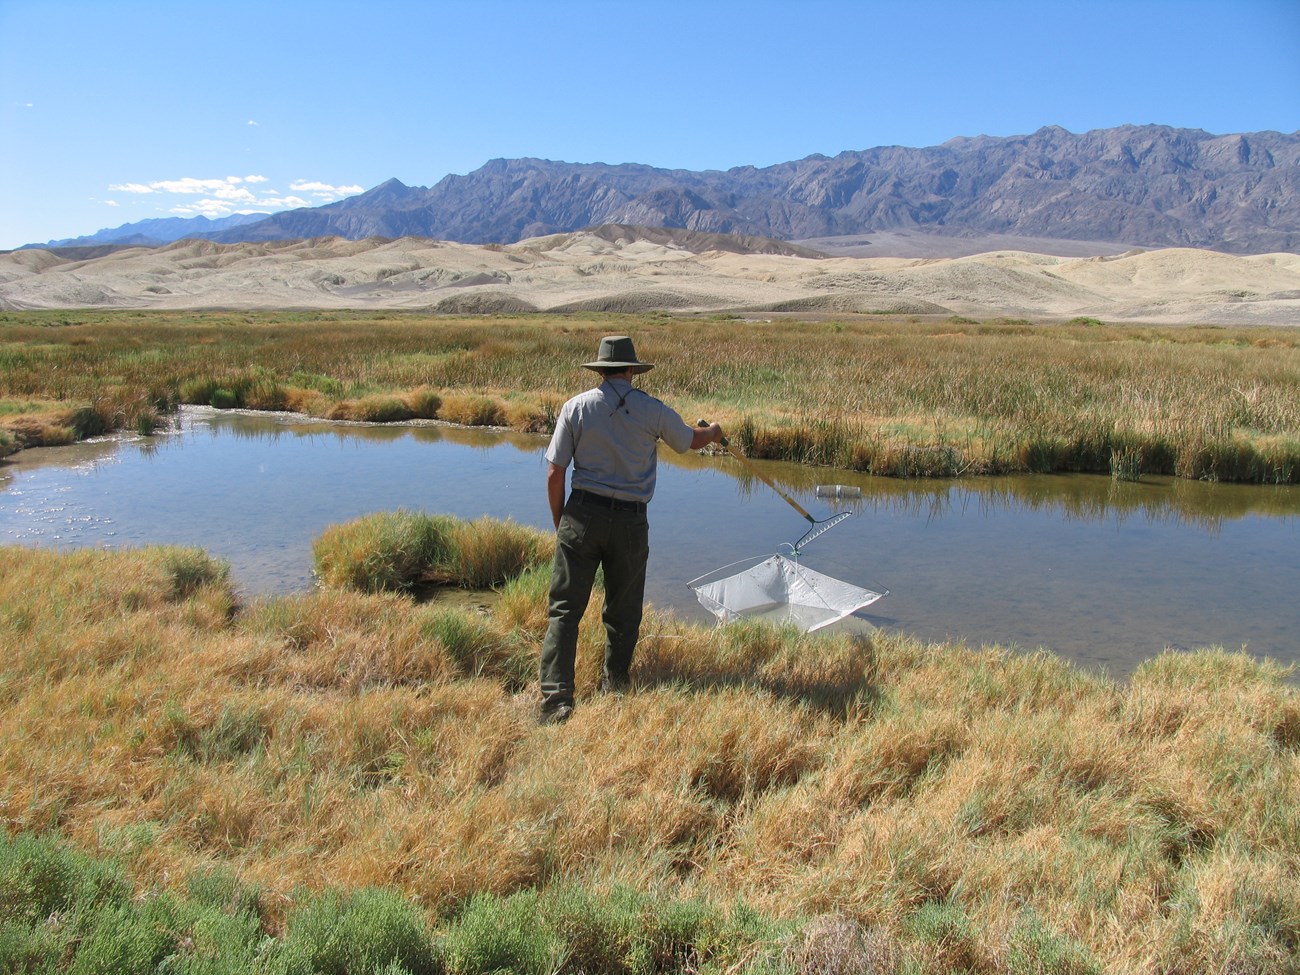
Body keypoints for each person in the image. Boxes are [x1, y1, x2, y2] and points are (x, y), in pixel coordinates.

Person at [538, 335, 723, 725]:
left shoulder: (576, 407)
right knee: (623, 612)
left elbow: (556, 472)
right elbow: (690, 441)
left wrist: (562, 524)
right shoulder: (652, 410)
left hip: (581, 515)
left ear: (601, 371)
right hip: (630, 521)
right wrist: (716, 431)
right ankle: (615, 687)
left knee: (564, 611)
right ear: (632, 371)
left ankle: (556, 702)